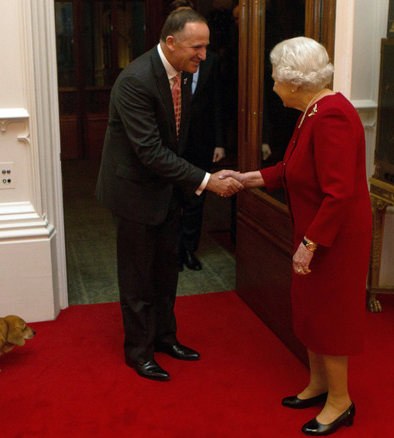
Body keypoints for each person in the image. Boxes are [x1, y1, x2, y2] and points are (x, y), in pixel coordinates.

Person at [222, 37, 371, 436]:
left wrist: (310, 244)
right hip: (317, 233)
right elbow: (293, 168)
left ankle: (341, 402)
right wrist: (248, 179)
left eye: (275, 78)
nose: (272, 86)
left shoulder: (332, 115)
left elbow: (338, 193)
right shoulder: (313, 111)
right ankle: (320, 384)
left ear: (294, 81)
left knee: (330, 316)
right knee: (309, 309)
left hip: (335, 240)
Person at [95, 8, 243, 382]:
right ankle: (139, 352)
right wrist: (207, 181)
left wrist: (204, 173)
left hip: (166, 191)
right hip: (133, 193)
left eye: (206, 47)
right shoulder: (135, 81)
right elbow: (151, 152)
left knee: (165, 272)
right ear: (171, 42)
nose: (204, 55)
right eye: (197, 47)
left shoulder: (184, 73)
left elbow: (178, 141)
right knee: (137, 279)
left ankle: (165, 338)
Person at [167, 0, 227, 271]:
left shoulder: (211, 61)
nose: (200, 52)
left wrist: (219, 142)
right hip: (171, 144)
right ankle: (172, 250)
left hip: (201, 141)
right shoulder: (165, 64)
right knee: (172, 198)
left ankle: (188, 249)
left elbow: (218, 102)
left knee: (196, 197)